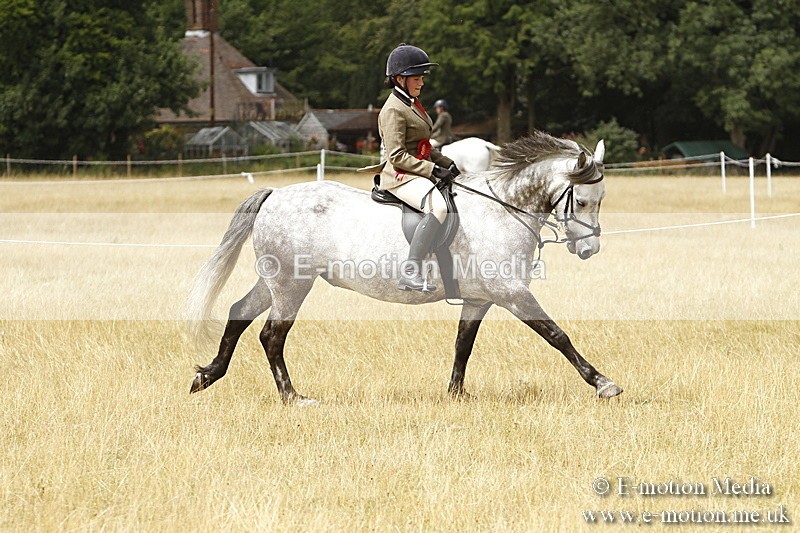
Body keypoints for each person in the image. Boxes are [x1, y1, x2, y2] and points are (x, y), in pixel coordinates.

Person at [369, 43, 460, 292]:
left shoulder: (411, 103)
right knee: (439, 208)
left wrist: (447, 163)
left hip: (414, 170)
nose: (422, 83)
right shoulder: (393, 109)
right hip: (400, 176)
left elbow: (423, 146)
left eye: (421, 78)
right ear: (400, 79)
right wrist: (431, 170)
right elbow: (397, 155)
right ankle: (410, 270)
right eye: (417, 78)